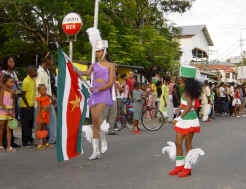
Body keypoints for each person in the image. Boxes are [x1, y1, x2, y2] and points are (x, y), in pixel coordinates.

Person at [80, 40, 115, 160]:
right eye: (96, 51)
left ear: (105, 51)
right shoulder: (94, 65)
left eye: (99, 51)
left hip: (103, 93)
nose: (97, 53)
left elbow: (110, 83)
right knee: (95, 122)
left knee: (96, 117)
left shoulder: (111, 65)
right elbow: (86, 74)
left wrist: (99, 89)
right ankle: (96, 151)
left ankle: (103, 136)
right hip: (94, 94)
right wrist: (76, 70)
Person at [169, 66, 202, 178]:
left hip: (189, 119)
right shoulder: (186, 89)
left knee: (187, 144)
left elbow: (189, 106)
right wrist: (179, 108)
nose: (179, 78)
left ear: (185, 79)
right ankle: (179, 165)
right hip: (184, 116)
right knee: (178, 142)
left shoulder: (188, 91)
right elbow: (186, 105)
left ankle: (187, 168)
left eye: (181, 77)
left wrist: (178, 118)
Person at [35, 52, 56, 144]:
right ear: (46, 60)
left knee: (48, 121)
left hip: (48, 101)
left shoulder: (47, 71)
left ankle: (49, 139)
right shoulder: (39, 72)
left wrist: (52, 97)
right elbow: (39, 88)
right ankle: (40, 141)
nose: (52, 62)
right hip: (42, 102)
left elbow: (48, 87)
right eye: (51, 60)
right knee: (41, 123)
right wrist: (49, 97)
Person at [1, 56, 20, 148]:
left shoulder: (14, 73)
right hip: (6, 98)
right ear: (6, 62)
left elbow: (16, 84)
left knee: (12, 120)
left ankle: (11, 141)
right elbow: (0, 84)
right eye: (10, 61)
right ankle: (4, 142)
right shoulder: (3, 72)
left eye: (13, 61)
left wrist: (17, 92)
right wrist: (10, 91)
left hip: (13, 98)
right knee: (4, 122)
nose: (12, 63)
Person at [20, 66, 37, 146]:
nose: (36, 72)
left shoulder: (33, 80)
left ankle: (30, 138)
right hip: (25, 106)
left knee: (30, 123)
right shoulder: (26, 81)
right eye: (34, 71)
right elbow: (23, 95)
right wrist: (27, 106)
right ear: (29, 72)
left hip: (31, 105)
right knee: (25, 124)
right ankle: (25, 141)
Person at [0, 75, 16, 152]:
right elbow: (1, 103)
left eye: (13, 82)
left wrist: (13, 112)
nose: (12, 84)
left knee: (9, 130)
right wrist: (7, 111)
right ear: (5, 82)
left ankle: (9, 146)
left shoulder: (12, 92)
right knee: (1, 129)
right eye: (10, 82)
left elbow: (13, 103)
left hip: (9, 113)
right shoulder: (2, 90)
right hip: (2, 112)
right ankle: (0, 145)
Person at [36, 84, 51, 150]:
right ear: (39, 91)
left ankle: (44, 142)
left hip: (46, 116)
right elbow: (39, 108)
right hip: (41, 116)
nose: (44, 91)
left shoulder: (48, 97)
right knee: (39, 130)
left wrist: (48, 106)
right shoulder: (39, 99)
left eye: (45, 89)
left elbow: (49, 105)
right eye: (42, 90)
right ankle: (38, 143)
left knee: (44, 129)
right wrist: (40, 116)